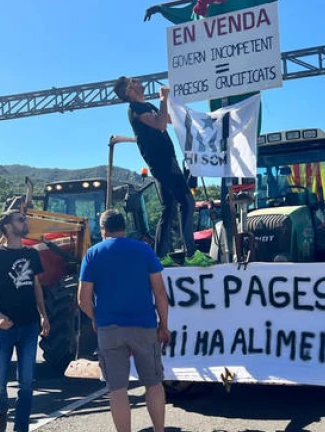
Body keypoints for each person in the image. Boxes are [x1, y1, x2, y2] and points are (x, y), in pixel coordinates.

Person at [78, 210, 171, 432]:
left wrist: (95, 318)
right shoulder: (144, 250)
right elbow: (160, 292)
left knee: (117, 389)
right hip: (144, 325)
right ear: (124, 227)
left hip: (109, 329)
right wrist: (164, 325)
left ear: (103, 229)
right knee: (153, 383)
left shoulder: (92, 254)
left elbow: (83, 299)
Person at [112, 76, 212, 267]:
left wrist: (188, 116)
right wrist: (163, 99)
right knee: (186, 201)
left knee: (169, 207)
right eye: (135, 81)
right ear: (129, 91)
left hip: (166, 160)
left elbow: (168, 119)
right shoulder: (135, 109)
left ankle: (160, 256)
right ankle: (191, 253)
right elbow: (160, 124)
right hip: (162, 162)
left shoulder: (147, 106)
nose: (140, 83)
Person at [0, 210, 50, 432]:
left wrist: (43, 315)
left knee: (27, 383)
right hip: (4, 328)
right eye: (21, 220)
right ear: (8, 227)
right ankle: (1, 411)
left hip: (29, 326)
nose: (25, 222)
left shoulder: (32, 254)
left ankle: (21, 428)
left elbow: (36, 287)